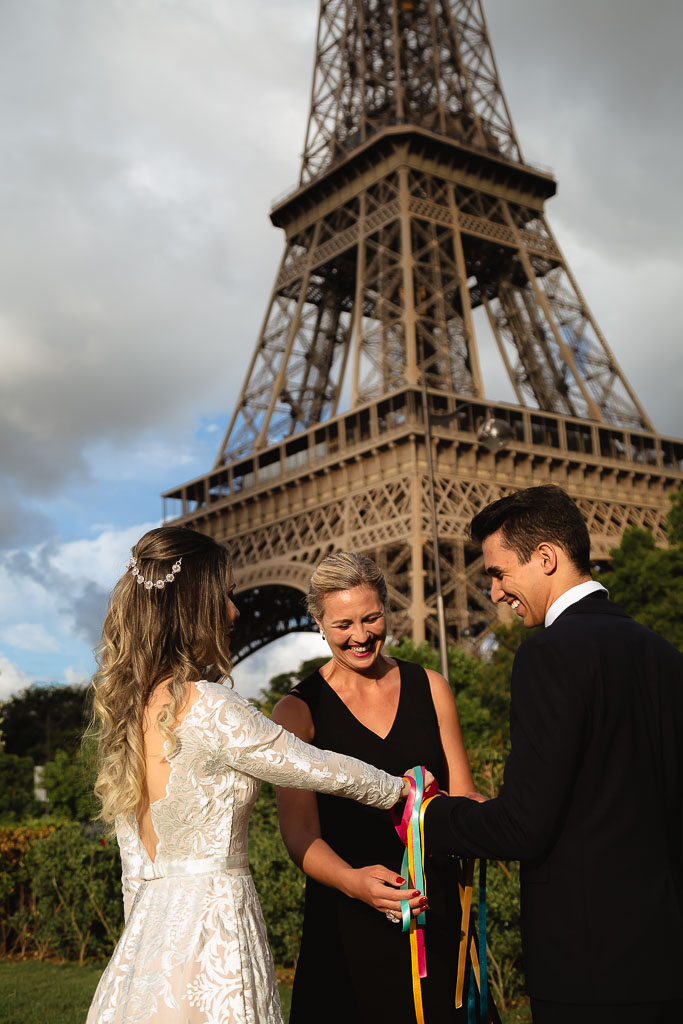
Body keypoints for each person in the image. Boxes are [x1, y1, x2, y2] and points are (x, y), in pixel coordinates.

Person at [85, 526, 422, 1024]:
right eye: (224, 595)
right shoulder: (206, 705)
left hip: (149, 939)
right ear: (195, 603)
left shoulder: (132, 714)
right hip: (215, 923)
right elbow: (310, 764)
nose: (234, 611)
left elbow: (133, 867)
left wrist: (143, 944)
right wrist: (400, 788)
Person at [423, 485, 683, 1024]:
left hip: (586, 969)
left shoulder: (547, 654)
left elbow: (523, 827)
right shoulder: (662, 653)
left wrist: (431, 817)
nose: (494, 593)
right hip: (666, 960)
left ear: (546, 557)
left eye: (497, 573)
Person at [272, 551, 477, 1024]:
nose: (361, 636)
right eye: (343, 624)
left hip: (434, 910)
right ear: (318, 624)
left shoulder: (432, 686)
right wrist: (353, 883)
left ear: (388, 608)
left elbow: (463, 794)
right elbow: (299, 833)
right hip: (346, 919)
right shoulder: (296, 712)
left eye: (372, 618)